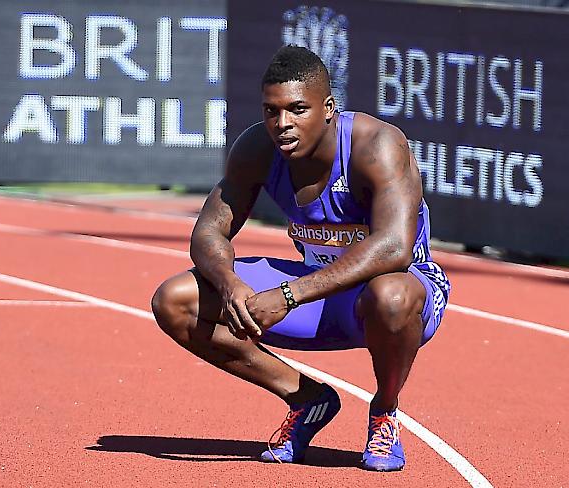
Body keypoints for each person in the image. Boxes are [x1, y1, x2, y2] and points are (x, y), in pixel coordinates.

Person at [151, 45, 450, 472]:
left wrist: (289, 295)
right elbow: (208, 232)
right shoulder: (257, 146)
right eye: (271, 112)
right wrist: (228, 281)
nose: (282, 125)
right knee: (174, 299)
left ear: (328, 107)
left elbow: (393, 248)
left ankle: (384, 410)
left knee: (394, 296)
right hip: (315, 290)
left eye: (296, 110)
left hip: (390, 292)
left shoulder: (378, 145)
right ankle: (307, 399)